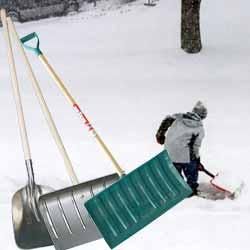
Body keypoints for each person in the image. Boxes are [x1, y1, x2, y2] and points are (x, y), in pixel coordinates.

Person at [156, 101, 207, 196]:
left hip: (168, 152)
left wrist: (160, 134)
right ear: (203, 116)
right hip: (183, 155)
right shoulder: (199, 128)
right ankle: (191, 189)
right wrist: (197, 160)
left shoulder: (179, 117)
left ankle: (177, 187)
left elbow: (167, 120)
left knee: (175, 170)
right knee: (191, 168)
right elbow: (196, 147)